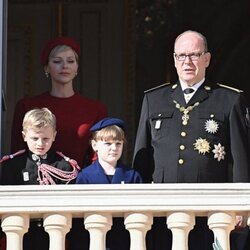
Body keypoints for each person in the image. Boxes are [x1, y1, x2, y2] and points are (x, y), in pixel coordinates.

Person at [133, 30, 250, 250]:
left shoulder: (229, 100)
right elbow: (143, 159)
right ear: (174, 60)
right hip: (162, 212)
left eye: (194, 55)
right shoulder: (154, 99)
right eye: (181, 56)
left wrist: (241, 205)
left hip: (211, 210)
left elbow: (239, 159)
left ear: (207, 59)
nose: (187, 62)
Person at [11, 36, 107, 167]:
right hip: (36, 182)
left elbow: (100, 154)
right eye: (57, 61)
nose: (65, 66)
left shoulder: (95, 109)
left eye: (71, 61)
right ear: (46, 68)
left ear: (77, 67)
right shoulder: (27, 106)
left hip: (83, 182)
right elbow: (18, 154)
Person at [0, 107, 80, 249]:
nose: (40, 144)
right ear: (24, 136)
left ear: (54, 136)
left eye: (46, 139)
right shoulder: (13, 165)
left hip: (53, 233)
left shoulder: (64, 167)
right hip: (22, 234)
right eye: (35, 138)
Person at [76, 117, 142, 250]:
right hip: (94, 240)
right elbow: (78, 219)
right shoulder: (85, 176)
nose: (114, 148)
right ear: (95, 145)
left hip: (124, 240)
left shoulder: (132, 176)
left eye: (118, 143)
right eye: (108, 143)